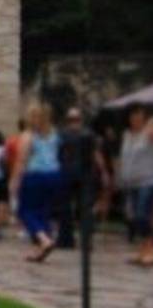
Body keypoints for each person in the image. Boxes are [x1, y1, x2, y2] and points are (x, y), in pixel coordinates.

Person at [11, 103, 61, 262]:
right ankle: (40, 248)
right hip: (54, 175)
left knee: (25, 211)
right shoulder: (53, 133)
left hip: (35, 176)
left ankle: (44, 240)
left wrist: (14, 181)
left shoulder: (28, 136)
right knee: (42, 212)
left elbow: (21, 160)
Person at [56, 107, 98, 249]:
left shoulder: (62, 134)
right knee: (84, 207)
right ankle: (86, 240)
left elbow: (59, 155)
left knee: (66, 207)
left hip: (68, 173)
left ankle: (66, 239)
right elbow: (94, 155)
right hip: (84, 174)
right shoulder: (88, 134)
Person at [117, 104, 153, 266]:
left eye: (139, 115)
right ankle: (144, 249)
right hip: (130, 182)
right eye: (132, 115)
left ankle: (149, 249)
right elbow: (123, 158)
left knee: (141, 215)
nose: (135, 119)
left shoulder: (148, 133)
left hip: (147, 180)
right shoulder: (126, 135)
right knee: (132, 218)